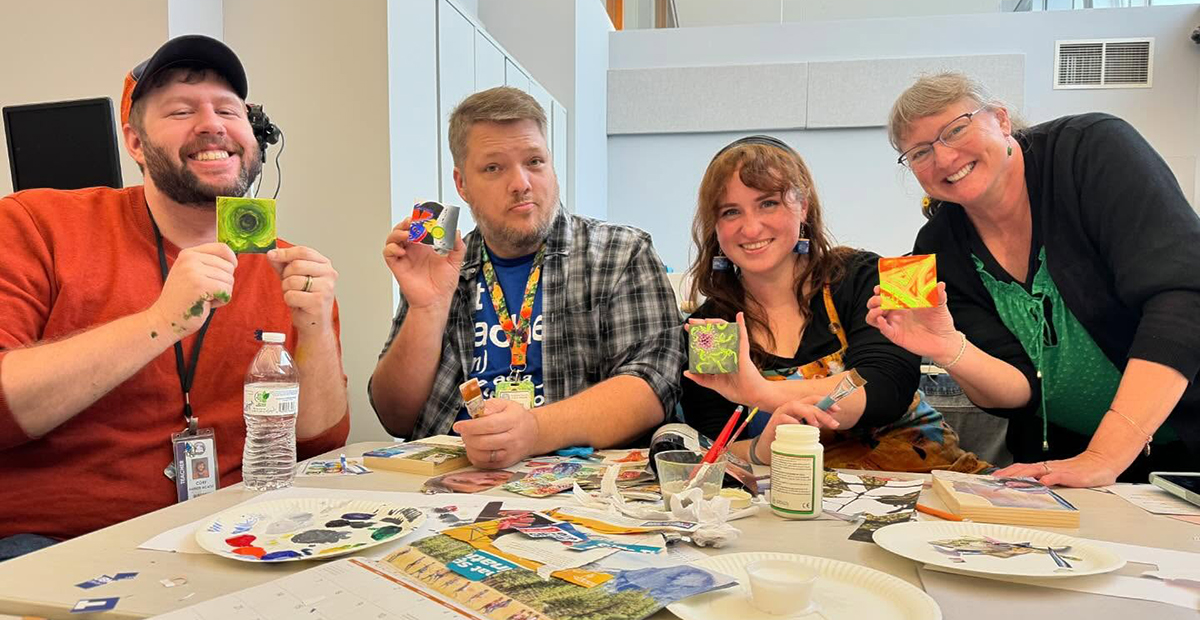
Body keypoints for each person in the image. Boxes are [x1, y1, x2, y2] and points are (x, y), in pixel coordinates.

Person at [0, 35, 349, 558]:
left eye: (229, 110)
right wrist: (162, 319)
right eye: (182, 110)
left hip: (236, 532)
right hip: (58, 544)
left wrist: (317, 327)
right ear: (136, 143)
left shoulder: (288, 266)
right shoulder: (36, 224)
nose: (212, 124)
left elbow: (319, 443)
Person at [869, 72, 1199, 486]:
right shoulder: (937, 244)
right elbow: (1019, 389)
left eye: (955, 130)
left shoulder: (1092, 148)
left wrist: (1105, 454)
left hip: (1182, 441)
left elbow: (1184, 297)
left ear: (1002, 119)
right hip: (1062, 459)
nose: (944, 159)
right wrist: (949, 348)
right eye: (918, 153)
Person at [370, 87, 684, 469]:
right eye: (493, 168)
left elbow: (653, 386)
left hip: (578, 490)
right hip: (454, 480)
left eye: (534, 161)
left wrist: (533, 430)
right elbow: (395, 418)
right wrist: (427, 307)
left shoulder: (620, 252)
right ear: (461, 184)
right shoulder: (440, 265)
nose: (521, 183)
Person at [680, 136, 986, 473]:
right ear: (716, 227)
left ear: (803, 207)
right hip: (801, 503)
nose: (751, 227)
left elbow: (886, 388)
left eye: (768, 203)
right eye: (731, 212)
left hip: (933, 482)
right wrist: (761, 449)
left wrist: (763, 393)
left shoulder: (871, 272)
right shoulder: (710, 326)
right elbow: (712, 442)